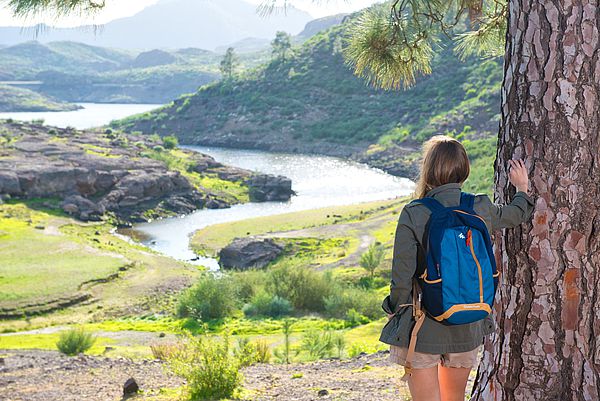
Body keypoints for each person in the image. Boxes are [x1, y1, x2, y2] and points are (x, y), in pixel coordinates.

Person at [379, 135, 534, 401]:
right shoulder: (478, 206)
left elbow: (401, 277)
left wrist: (394, 309)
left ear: (428, 169)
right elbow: (514, 215)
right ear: (464, 170)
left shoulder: (414, 212)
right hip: (467, 321)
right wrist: (521, 188)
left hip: (423, 325)